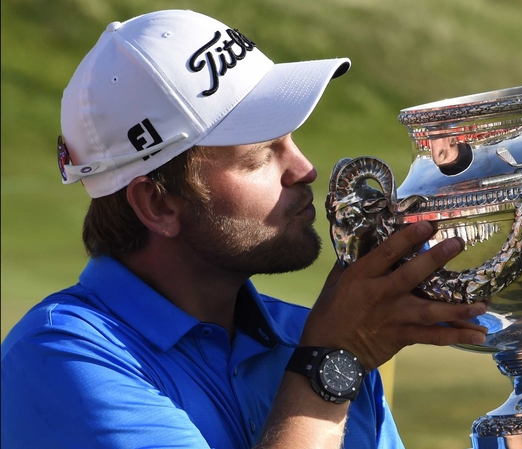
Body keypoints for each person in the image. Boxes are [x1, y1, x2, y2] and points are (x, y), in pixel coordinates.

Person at [0, 9, 488, 449]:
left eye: (291, 141)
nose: (305, 169)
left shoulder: (310, 333)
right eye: (259, 156)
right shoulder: (60, 359)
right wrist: (331, 364)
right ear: (159, 204)